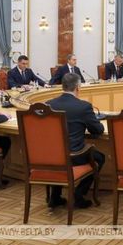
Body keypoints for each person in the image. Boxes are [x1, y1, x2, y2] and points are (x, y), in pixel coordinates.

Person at [46, 73, 105, 209]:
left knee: (59, 152)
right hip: (74, 156)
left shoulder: (48, 104)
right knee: (100, 158)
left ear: (63, 86)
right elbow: (98, 130)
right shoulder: (83, 107)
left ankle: (55, 196)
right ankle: (78, 194)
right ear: (78, 87)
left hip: (52, 155)